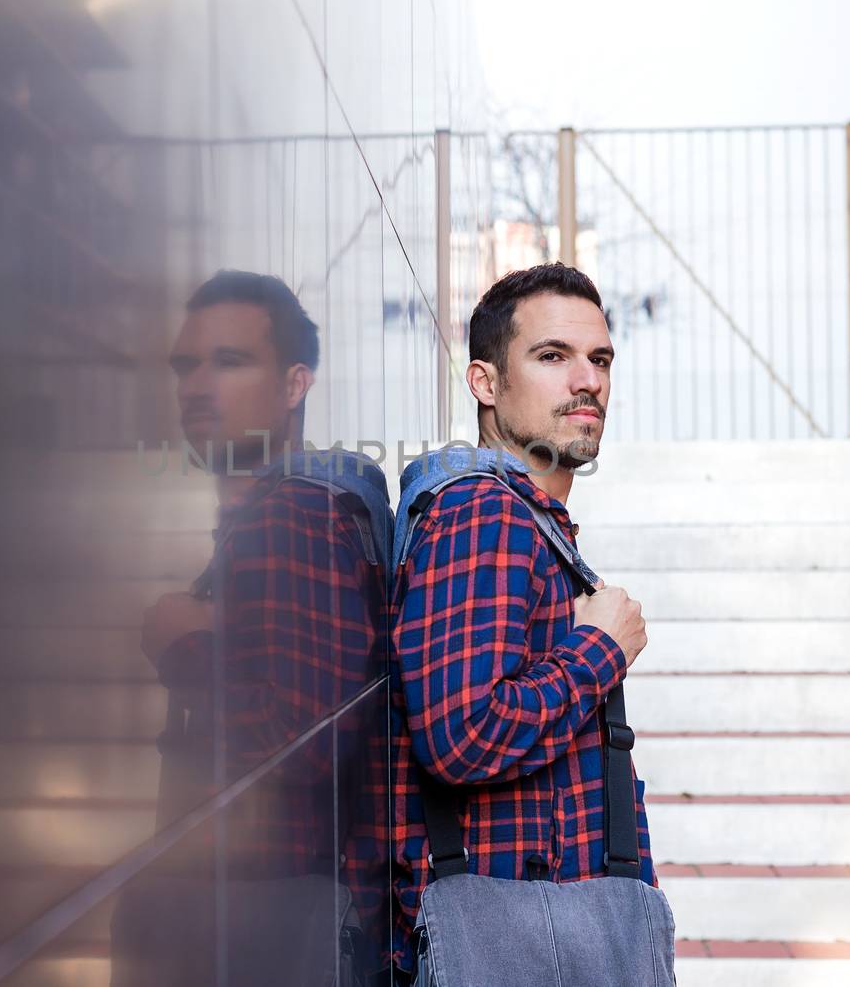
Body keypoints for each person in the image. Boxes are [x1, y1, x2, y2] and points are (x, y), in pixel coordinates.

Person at [113, 269, 393, 987]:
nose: (197, 385)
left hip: (262, 914)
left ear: (296, 384)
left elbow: (305, 739)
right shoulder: (279, 512)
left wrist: (186, 646)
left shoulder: (291, 513)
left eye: (231, 361)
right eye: (188, 364)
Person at [389, 262, 657, 981]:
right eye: (552, 356)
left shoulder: (530, 520)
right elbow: (461, 736)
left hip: (544, 922)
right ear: (484, 383)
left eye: (599, 359)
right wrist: (601, 649)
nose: (588, 380)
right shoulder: (485, 513)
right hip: (516, 936)